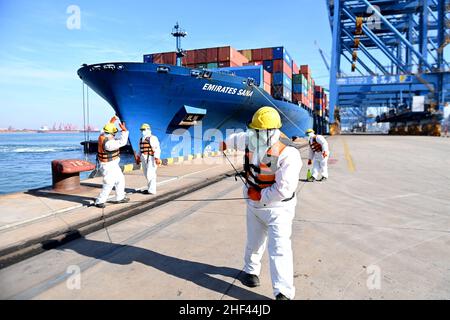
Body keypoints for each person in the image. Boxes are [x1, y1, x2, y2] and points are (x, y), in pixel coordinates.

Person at [221, 106, 301, 300]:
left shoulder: (288, 153)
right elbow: (233, 139)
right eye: (252, 130)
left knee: (280, 249)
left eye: (257, 131)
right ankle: (251, 271)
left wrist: (261, 196)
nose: (252, 134)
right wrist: (223, 143)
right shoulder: (251, 138)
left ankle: (283, 292)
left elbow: (284, 189)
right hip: (253, 205)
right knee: (254, 241)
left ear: (270, 132)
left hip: (278, 209)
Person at [94, 116, 130, 208]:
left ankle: (120, 197)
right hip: (108, 166)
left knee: (120, 179)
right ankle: (99, 201)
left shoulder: (102, 135)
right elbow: (122, 142)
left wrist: (111, 122)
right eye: (114, 133)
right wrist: (124, 131)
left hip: (113, 164)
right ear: (111, 133)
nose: (114, 135)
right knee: (109, 183)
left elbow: (103, 129)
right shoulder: (109, 144)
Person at [135, 123, 162, 195]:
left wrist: (157, 158)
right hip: (143, 158)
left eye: (143, 129)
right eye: (141, 130)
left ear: (148, 129)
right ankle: (150, 189)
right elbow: (139, 149)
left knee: (151, 174)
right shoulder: (141, 139)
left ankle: (152, 190)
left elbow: (157, 148)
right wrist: (138, 157)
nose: (142, 131)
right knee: (146, 174)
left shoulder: (153, 138)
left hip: (150, 158)